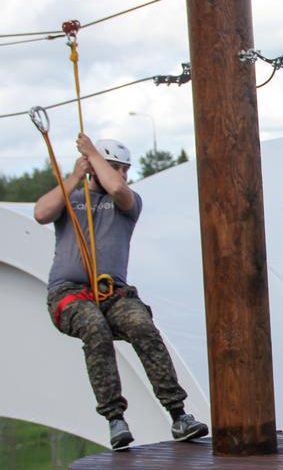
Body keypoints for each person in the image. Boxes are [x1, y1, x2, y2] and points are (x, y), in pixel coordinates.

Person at [35, 134, 208, 451]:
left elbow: (115, 188)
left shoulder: (127, 201)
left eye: (124, 169)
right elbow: (41, 213)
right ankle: (115, 418)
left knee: (143, 327)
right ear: (93, 168)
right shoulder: (71, 199)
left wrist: (94, 157)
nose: (122, 175)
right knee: (94, 329)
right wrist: (76, 174)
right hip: (69, 293)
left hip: (113, 292)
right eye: (116, 167)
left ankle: (178, 414)